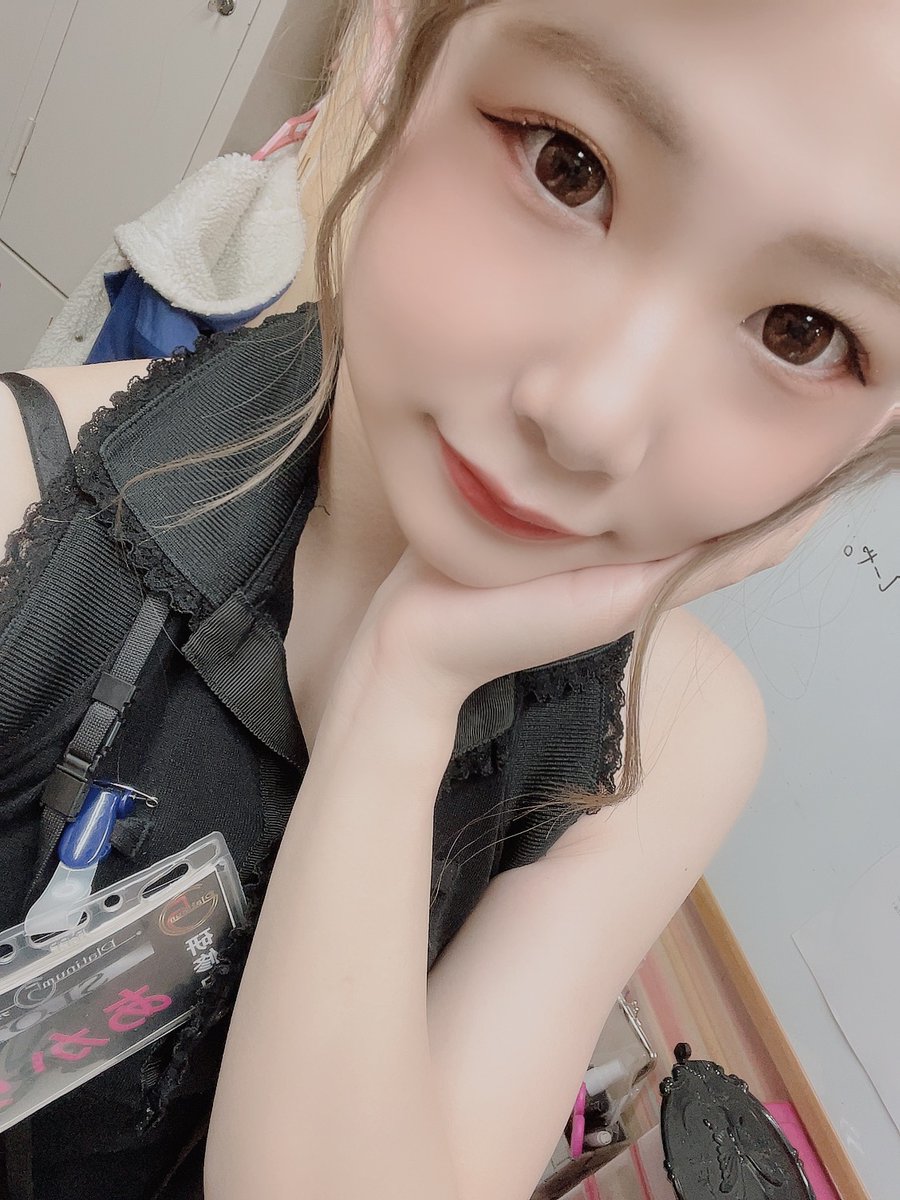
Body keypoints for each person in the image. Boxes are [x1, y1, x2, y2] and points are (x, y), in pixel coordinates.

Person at [0, 0, 896, 1198]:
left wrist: (403, 689)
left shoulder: (676, 733)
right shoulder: (23, 510)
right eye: (567, 164)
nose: (594, 415)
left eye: (803, 332)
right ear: (390, 47)